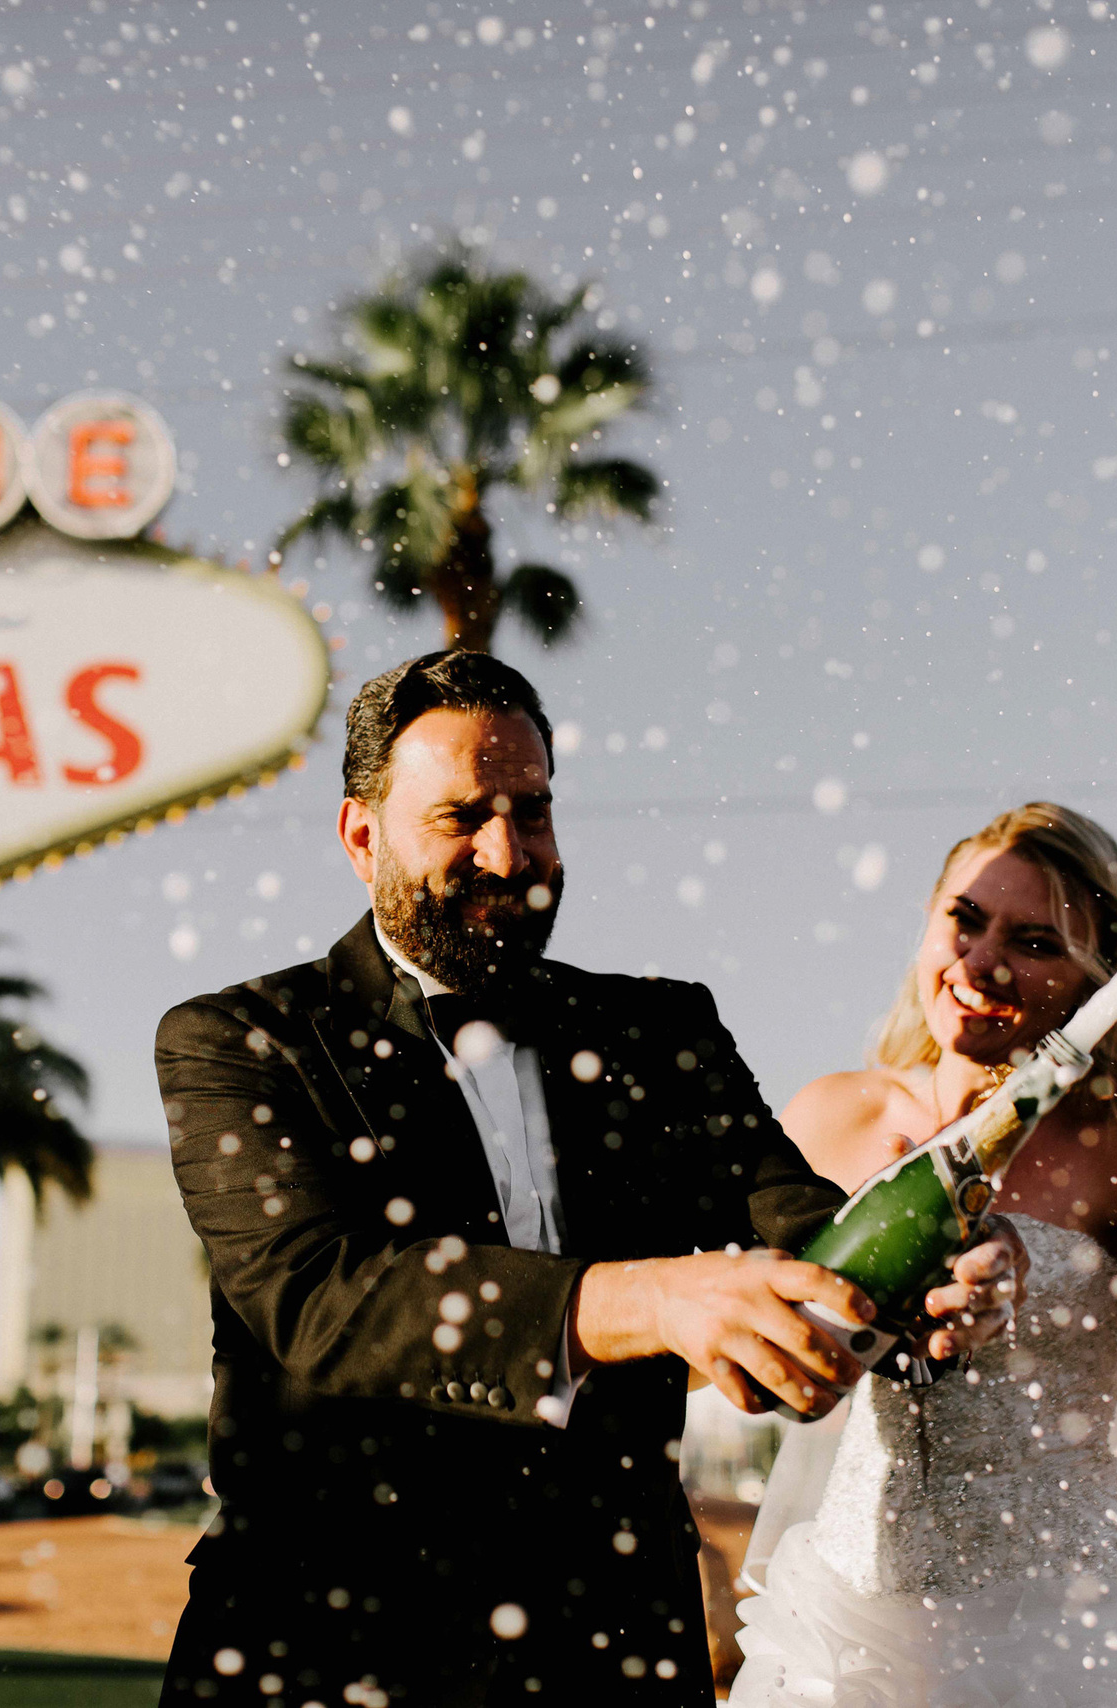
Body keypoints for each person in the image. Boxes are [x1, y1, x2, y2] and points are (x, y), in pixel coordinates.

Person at [155, 651, 1027, 1707]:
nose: (507, 851)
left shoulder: (663, 1032)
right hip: (326, 1647)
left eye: (533, 810)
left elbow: (804, 1225)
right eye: (460, 816)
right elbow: (324, 1298)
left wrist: (941, 1270)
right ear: (359, 835)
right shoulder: (240, 1040)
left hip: (612, 1644)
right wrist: (649, 1296)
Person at [731, 802, 1117, 1708]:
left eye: (1036, 942)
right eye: (964, 920)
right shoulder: (833, 1118)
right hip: (848, 1639)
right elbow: (724, 1348)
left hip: (1081, 1635)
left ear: (1097, 981)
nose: (983, 963)